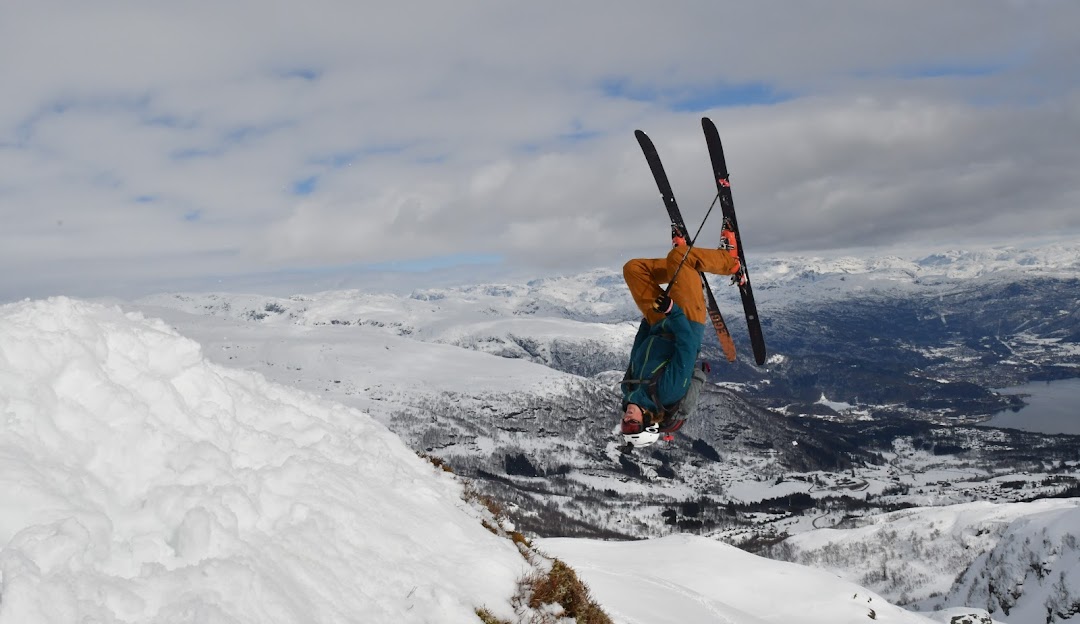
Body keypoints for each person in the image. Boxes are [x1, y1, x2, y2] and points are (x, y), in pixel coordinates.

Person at [619, 225, 742, 449]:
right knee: (680, 256)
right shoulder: (667, 393)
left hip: (658, 321)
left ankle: (686, 271)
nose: (627, 419)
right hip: (685, 319)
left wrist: (649, 318)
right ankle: (730, 262)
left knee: (633, 269)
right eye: (633, 424)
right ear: (647, 421)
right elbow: (688, 346)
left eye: (625, 425)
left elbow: (639, 349)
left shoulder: (628, 389)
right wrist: (673, 310)